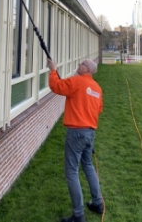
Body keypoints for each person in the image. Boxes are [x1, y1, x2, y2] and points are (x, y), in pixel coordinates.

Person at [47, 59, 104, 222]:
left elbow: (56, 86)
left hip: (76, 133)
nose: (78, 64)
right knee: (87, 165)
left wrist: (53, 70)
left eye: (81, 63)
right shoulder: (97, 89)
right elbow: (98, 109)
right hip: (90, 133)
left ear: (86, 69)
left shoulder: (77, 81)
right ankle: (97, 203)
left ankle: (78, 215)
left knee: (72, 171)